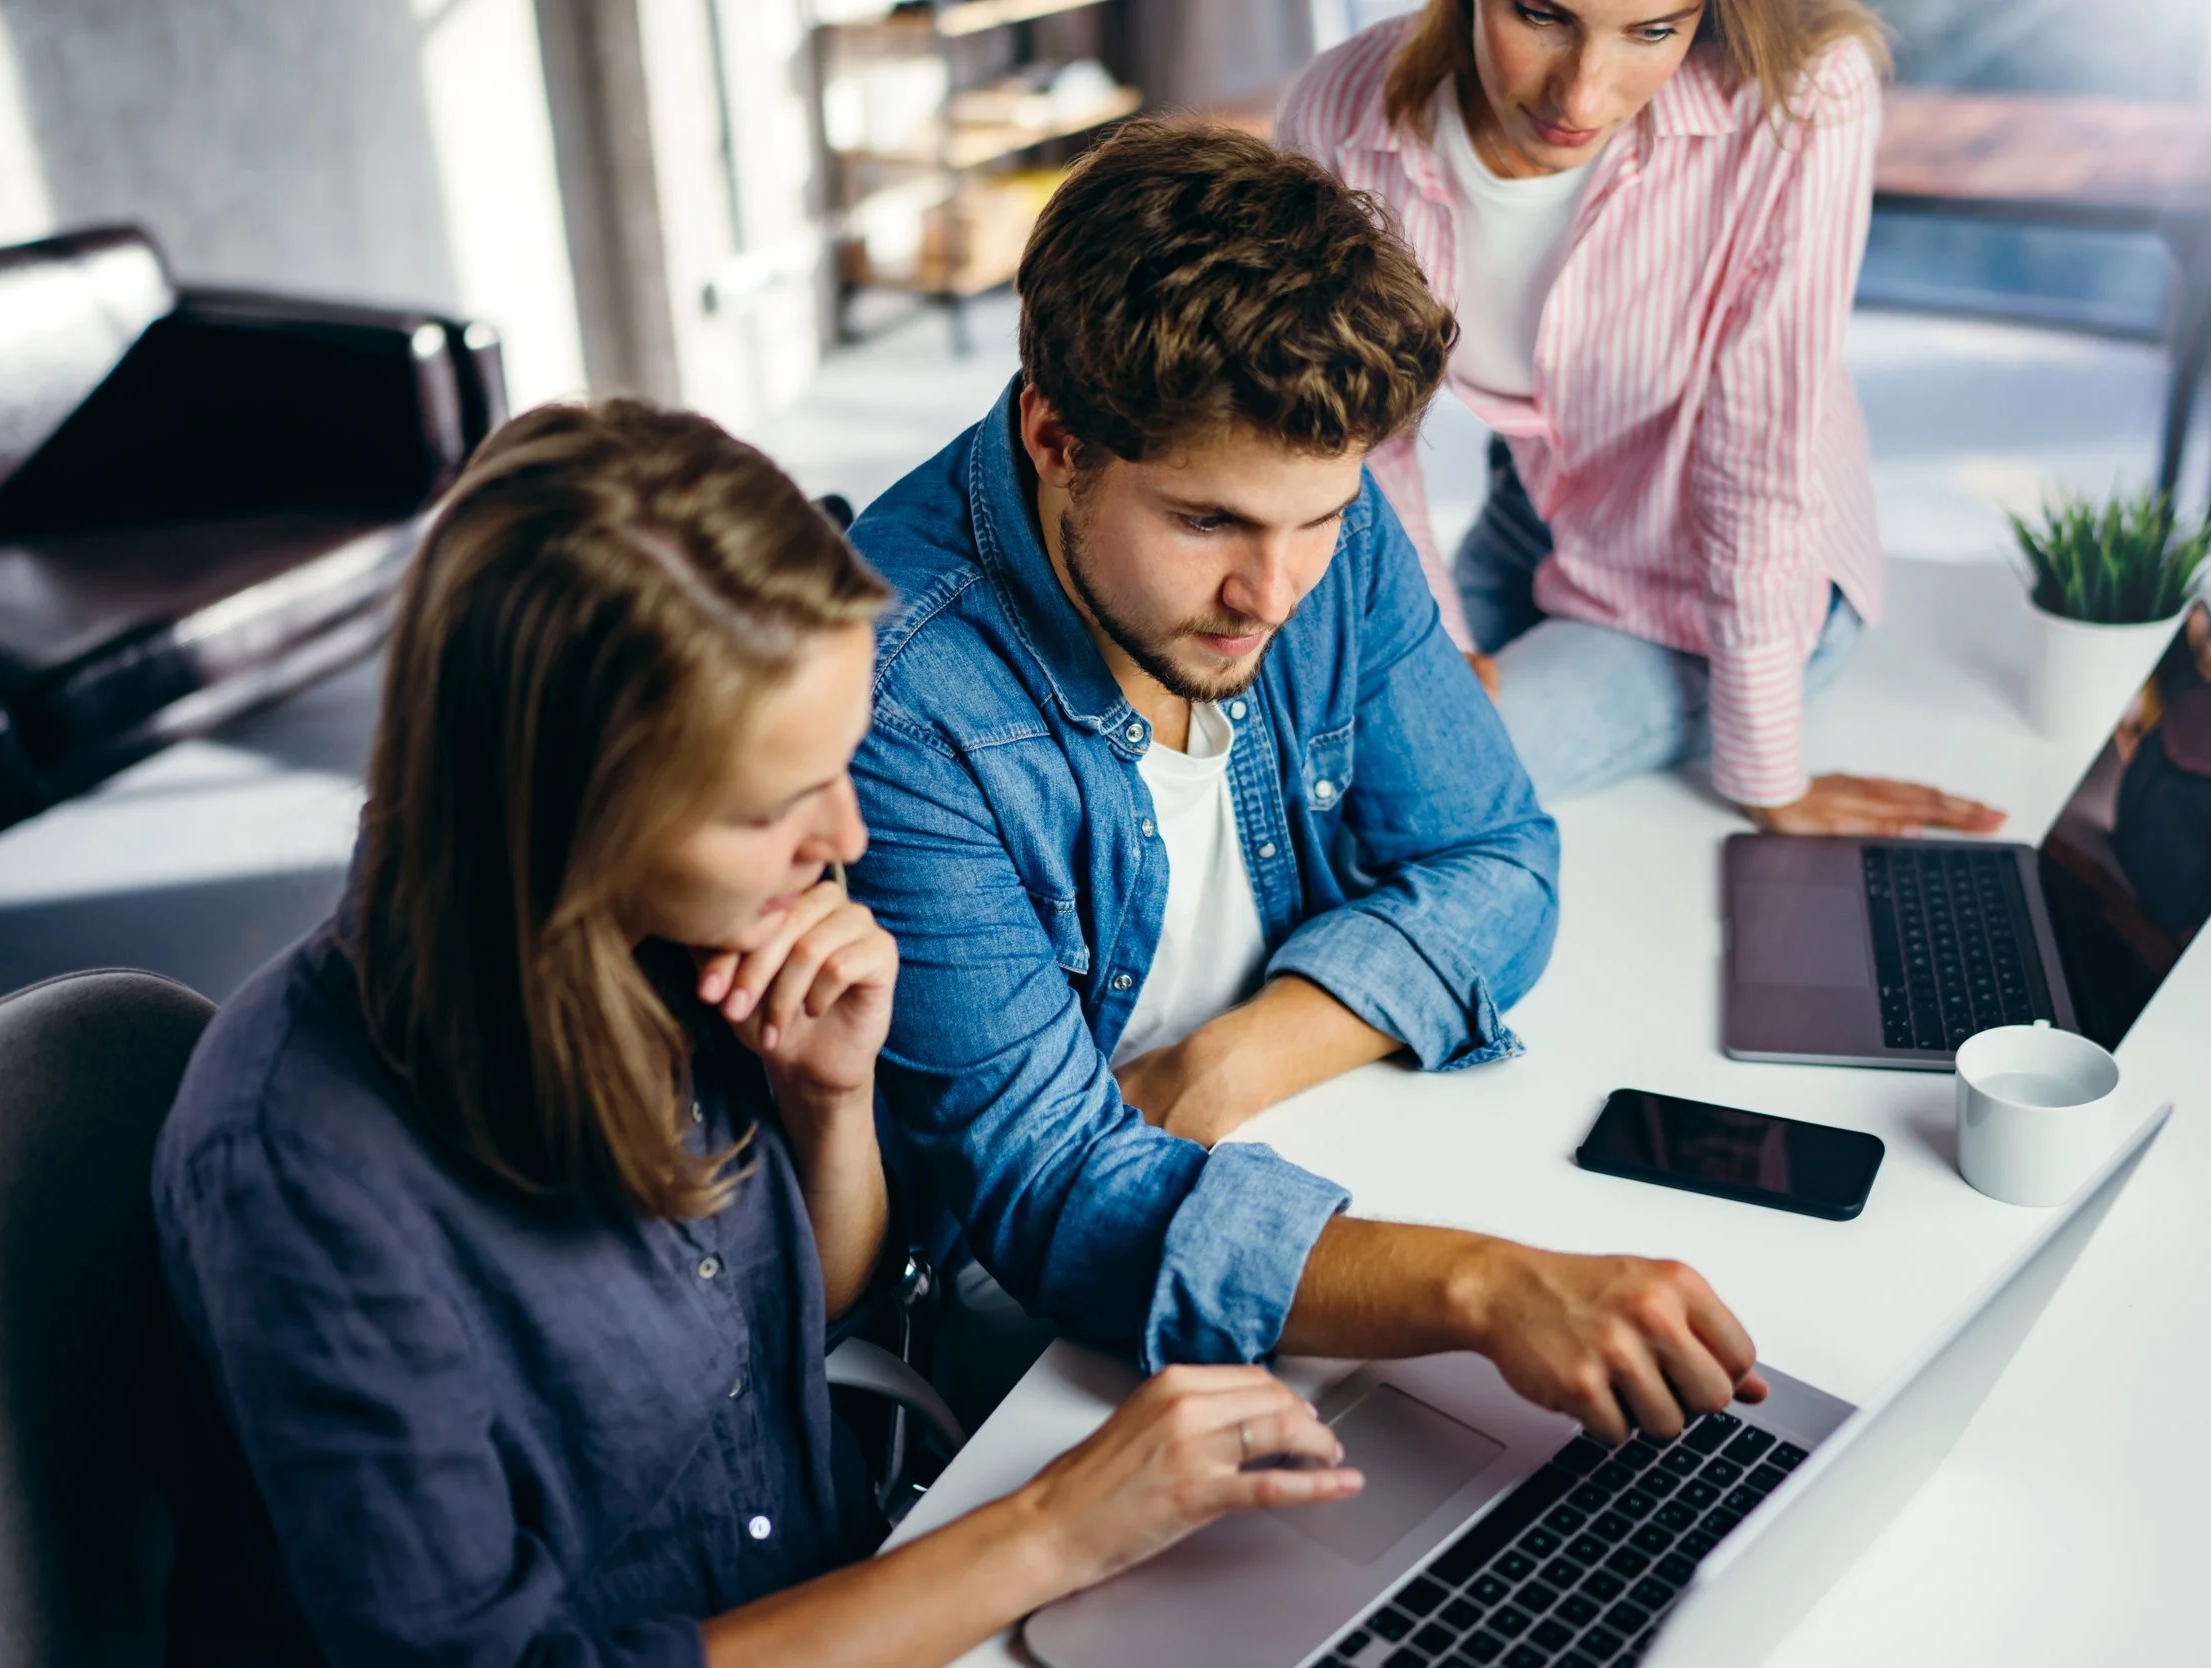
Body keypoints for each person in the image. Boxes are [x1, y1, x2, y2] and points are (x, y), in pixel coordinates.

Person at [151, 401, 1369, 1668]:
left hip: (871, 1602)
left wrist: (826, 1100)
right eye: (769, 806)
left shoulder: (672, 942)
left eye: (838, 763)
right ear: (564, 801)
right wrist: (1050, 1531)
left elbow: (791, 1330)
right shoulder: (300, 1160)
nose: (844, 839)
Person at [847, 119, 1769, 1444]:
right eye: (1205, 522)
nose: (1271, 594)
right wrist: (1479, 1287)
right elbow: (1053, 1195)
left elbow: (1501, 857)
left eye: (1319, 520)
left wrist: (1231, 1060)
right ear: (1055, 435)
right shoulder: (902, 693)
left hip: (1289, 1146)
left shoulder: (1306, 497)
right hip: (1035, 1339)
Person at [1279, 0, 2007, 836]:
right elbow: (1361, 434)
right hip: (1536, 519)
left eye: (1654, 30)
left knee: (1407, 796)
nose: (1582, 98)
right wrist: (1432, 629)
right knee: (1282, 733)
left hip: (1712, 583)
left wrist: (1769, 774)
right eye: (1540, 15)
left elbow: (1757, 460)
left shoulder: (1802, 96)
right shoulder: (1341, 112)